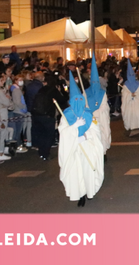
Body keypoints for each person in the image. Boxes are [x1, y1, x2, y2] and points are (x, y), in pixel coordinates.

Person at [58, 72, 104, 207]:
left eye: (80, 100)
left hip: (87, 146)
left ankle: (89, 191)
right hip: (73, 148)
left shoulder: (89, 115)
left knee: (87, 170)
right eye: (75, 100)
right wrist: (74, 130)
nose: (78, 103)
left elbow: (96, 131)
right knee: (76, 173)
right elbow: (62, 131)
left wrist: (85, 136)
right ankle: (80, 194)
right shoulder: (65, 116)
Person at [32, 75, 67, 160]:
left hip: (37, 114)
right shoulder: (53, 90)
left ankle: (41, 151)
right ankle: (46, 153)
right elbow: (62, 101)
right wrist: (63, 92)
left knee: (41, 134)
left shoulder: (41, 89)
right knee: (49, 135)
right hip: (48, 115)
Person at [85, 61, 111, 155]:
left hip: (101, 118)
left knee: (102, 134)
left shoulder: (102, 93)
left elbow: (104, 106)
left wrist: (96, 113)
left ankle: (103, 152)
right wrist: (90, 114)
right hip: (90, 119)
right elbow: (85, 105)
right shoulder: (86, 92)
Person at [121, 59, 139, 131]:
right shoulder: (126, 85)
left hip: (137, 101)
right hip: (129, 103)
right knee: (130, 115)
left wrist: (136, 94)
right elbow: (124, 93)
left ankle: (138, 124)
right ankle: (130, 125)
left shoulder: (137, 83)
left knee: (137, 113)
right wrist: (130, 95)